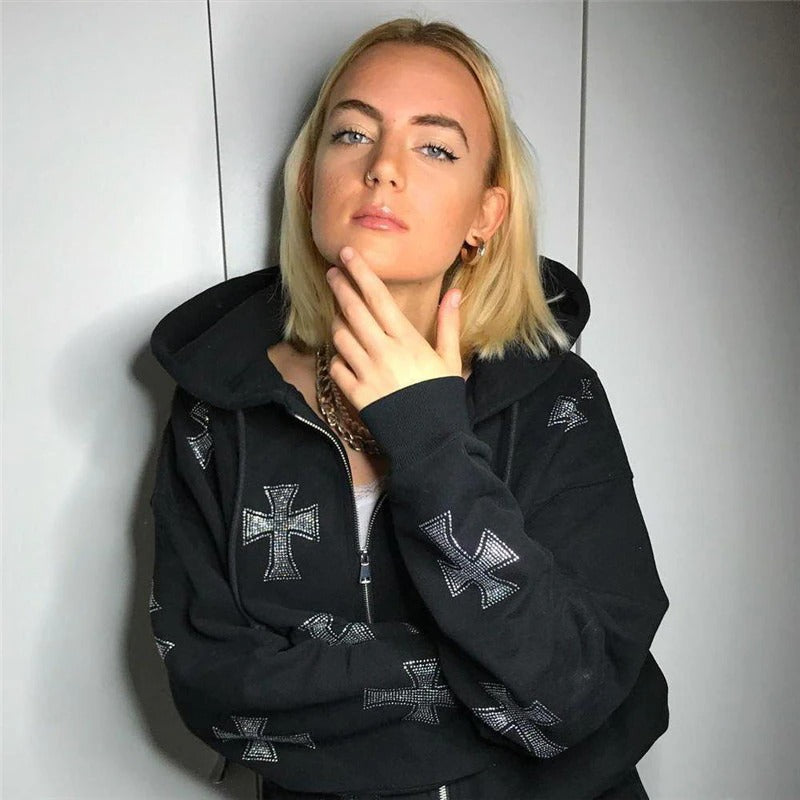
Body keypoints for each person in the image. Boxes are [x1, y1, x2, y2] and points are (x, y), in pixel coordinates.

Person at [148, 16, 668, 800]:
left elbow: (576, 685)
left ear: (484, 216)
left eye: (435, 148)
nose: (383, 168)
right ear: (308, 182)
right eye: (352, 134)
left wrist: (427, 438)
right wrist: (487, 694)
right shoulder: (218, 409)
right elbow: (214, 686)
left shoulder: (559, 398)